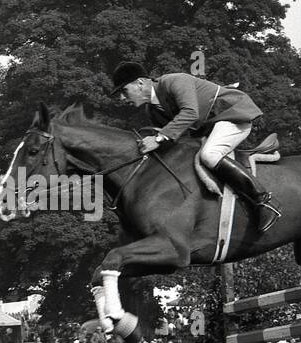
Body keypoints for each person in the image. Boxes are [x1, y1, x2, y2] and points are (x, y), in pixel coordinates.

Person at [110, 61, 277, 230]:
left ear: (140, 83)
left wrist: (159, 138)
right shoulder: (152, 110)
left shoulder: (175, 81)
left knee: (209, 155)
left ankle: (262, 201)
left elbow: (190, 113)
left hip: (232, 115)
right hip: (209, 129)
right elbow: (173, 137)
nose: (122, 98)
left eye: (124, 91)